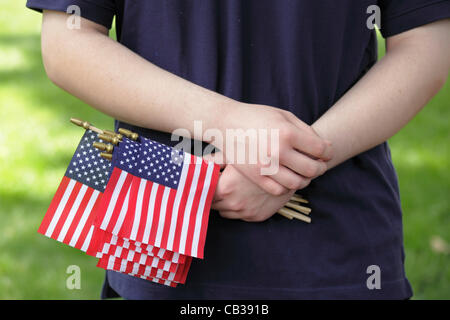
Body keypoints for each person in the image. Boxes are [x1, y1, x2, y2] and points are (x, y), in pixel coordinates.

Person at [26, 0, 449, 299]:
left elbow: (425, 43)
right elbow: (67, 42)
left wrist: (290, 163)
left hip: (338, 255)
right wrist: (229, 124)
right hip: (162, 242)